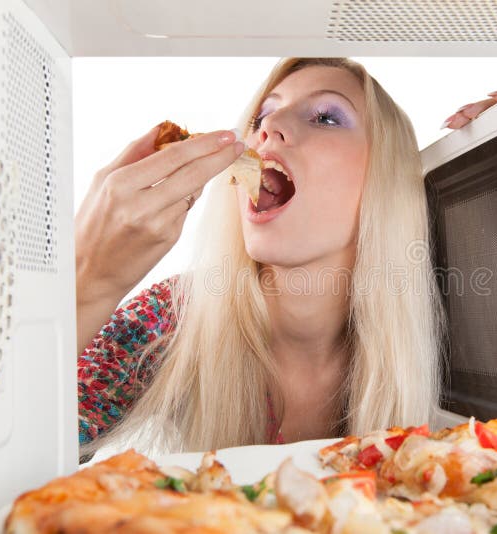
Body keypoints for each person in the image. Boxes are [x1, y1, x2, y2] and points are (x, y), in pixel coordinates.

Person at [75, 58, 445, 456]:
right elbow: (14, 449)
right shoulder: (170, 318)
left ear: (386, 175)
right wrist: (86, 284)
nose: (267, 128)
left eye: (325, 117)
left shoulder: (437, 330)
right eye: (262, 115)